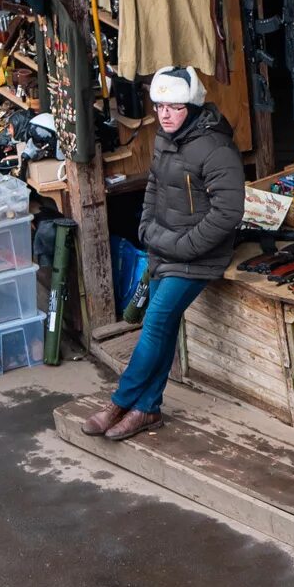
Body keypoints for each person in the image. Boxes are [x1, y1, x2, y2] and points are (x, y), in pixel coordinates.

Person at [83, 66, 244, 442]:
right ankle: (148, 408)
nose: (166, 114)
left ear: (192, 106)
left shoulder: (215, 147)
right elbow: (154, 184)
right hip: (164, 247)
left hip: (198, 256)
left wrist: (185, 247)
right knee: (164, 326)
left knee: (154, 322)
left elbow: (228, 213)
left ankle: (120, 402)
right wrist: (145, 227)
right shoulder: (164, 139)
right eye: (160, 107)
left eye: (174, 106)